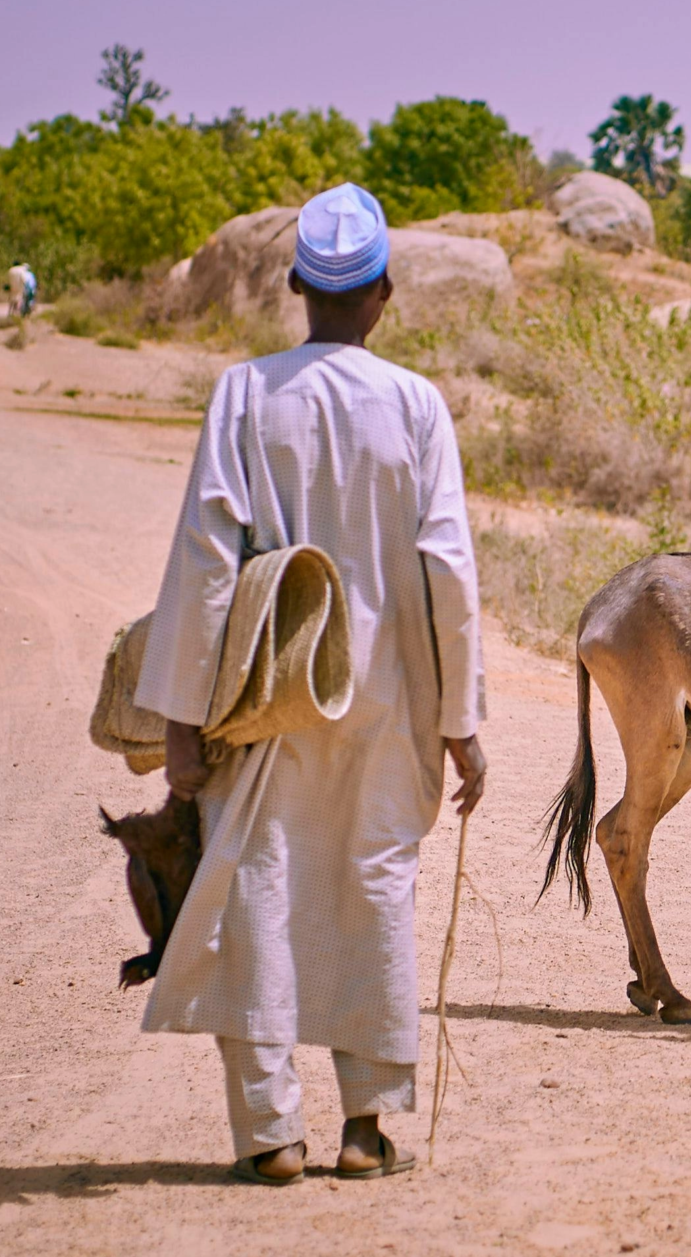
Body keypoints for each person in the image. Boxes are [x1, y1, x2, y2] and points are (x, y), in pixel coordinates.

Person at [134, 182, 486, 1185]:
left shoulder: (244, 394)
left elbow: (207, 559)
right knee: (375, 889)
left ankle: (269, 1134)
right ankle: (366, 1129)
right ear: (383, 294)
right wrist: (461, 720)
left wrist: (183, 719)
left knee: (258, 886)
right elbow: (448, 571)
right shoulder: (416, 405)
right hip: (388, 700)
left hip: (264, 695)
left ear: (295, 286)